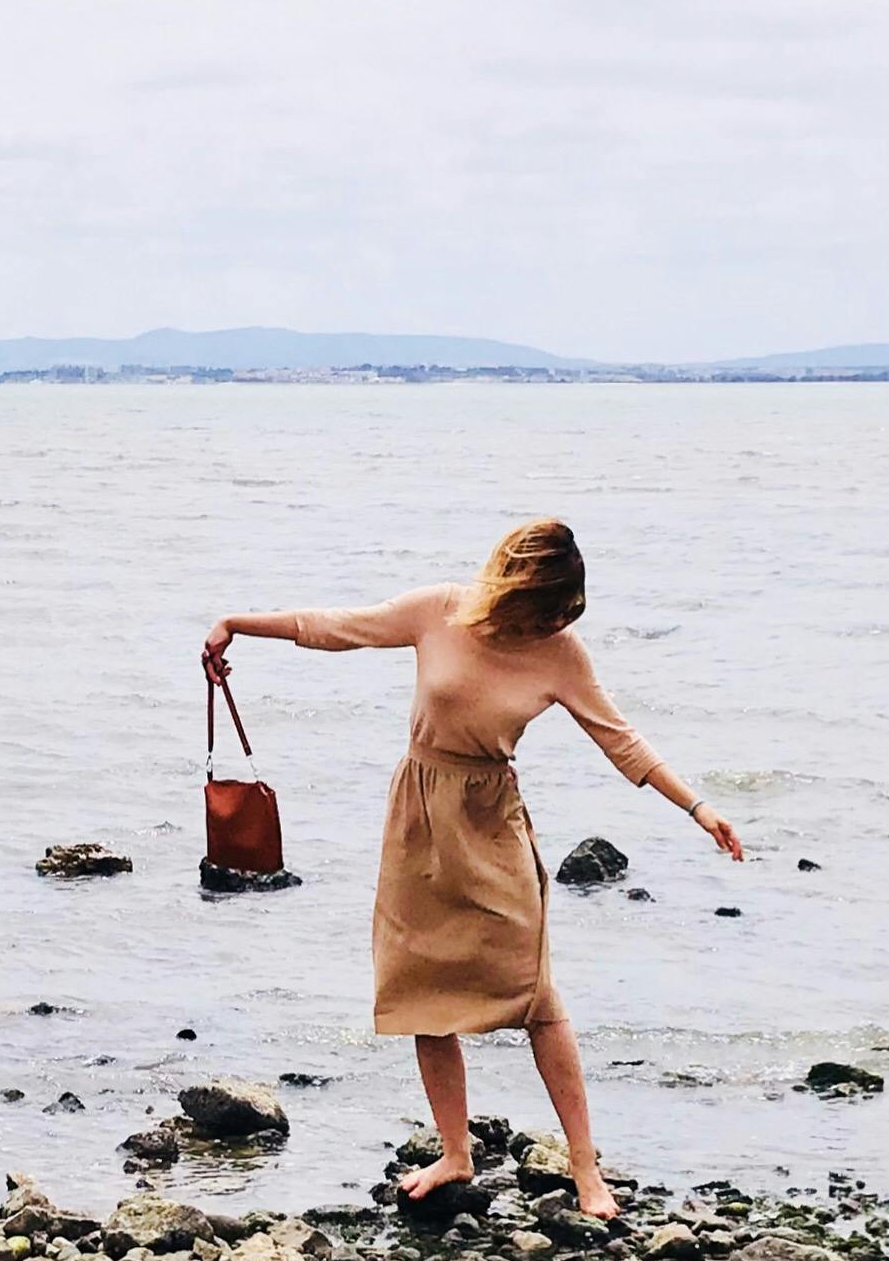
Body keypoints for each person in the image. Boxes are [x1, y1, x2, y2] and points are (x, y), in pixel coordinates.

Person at [205, 519, 741, 1221]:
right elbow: (340, 626)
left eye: (562, 613)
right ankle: (455, 1153)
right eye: (547, 606)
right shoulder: (440, 609)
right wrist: (236, 624)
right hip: (420, 818)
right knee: (422, 989)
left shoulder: (560, 652)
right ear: (519, 585)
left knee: (535, 996)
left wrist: (698, 808)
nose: (552, 622)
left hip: (492, 823)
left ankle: (587, 1171)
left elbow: (622, 740)